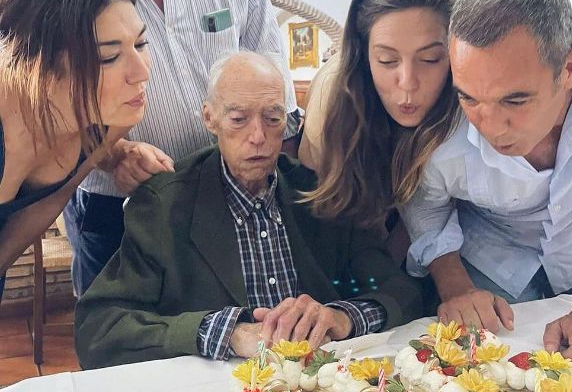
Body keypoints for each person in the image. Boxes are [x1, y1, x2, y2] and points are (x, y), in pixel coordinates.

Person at [48, 0, 299, 296]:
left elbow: (270, 65)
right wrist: (111, 153)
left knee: (224, 330)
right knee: (119, 345)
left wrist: (277, 153)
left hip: (227, 189)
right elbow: (46, 99)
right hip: (113, 202)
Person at [75, 52, 422, 369]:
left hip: (319, 384)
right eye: (239, 119)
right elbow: (99, 329)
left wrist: (341, 317)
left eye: (272, 119)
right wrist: (228, 333)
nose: (258, 136)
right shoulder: (164, 205)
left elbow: (400, 291)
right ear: (210, 119)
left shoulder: (319, 194)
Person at [403, 0, 572, 366]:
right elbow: (424, 202)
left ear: (568, 69)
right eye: (470, 98)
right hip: (489, 260)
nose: (491, 128)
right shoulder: (437, 127)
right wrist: (455, 287)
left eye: (515, 100)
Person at [0, 0, 153, 301]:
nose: (141, 71)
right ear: (39, 66)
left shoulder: (112, 118)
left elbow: (52, 198)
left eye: (140, 44)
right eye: (109, 57)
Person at [300, 0, 462, 235]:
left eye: (430, 59)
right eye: (387, 60)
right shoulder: (332, 105)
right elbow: (328, 223)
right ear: (363, 58)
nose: (408, 82)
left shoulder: (475, 101)